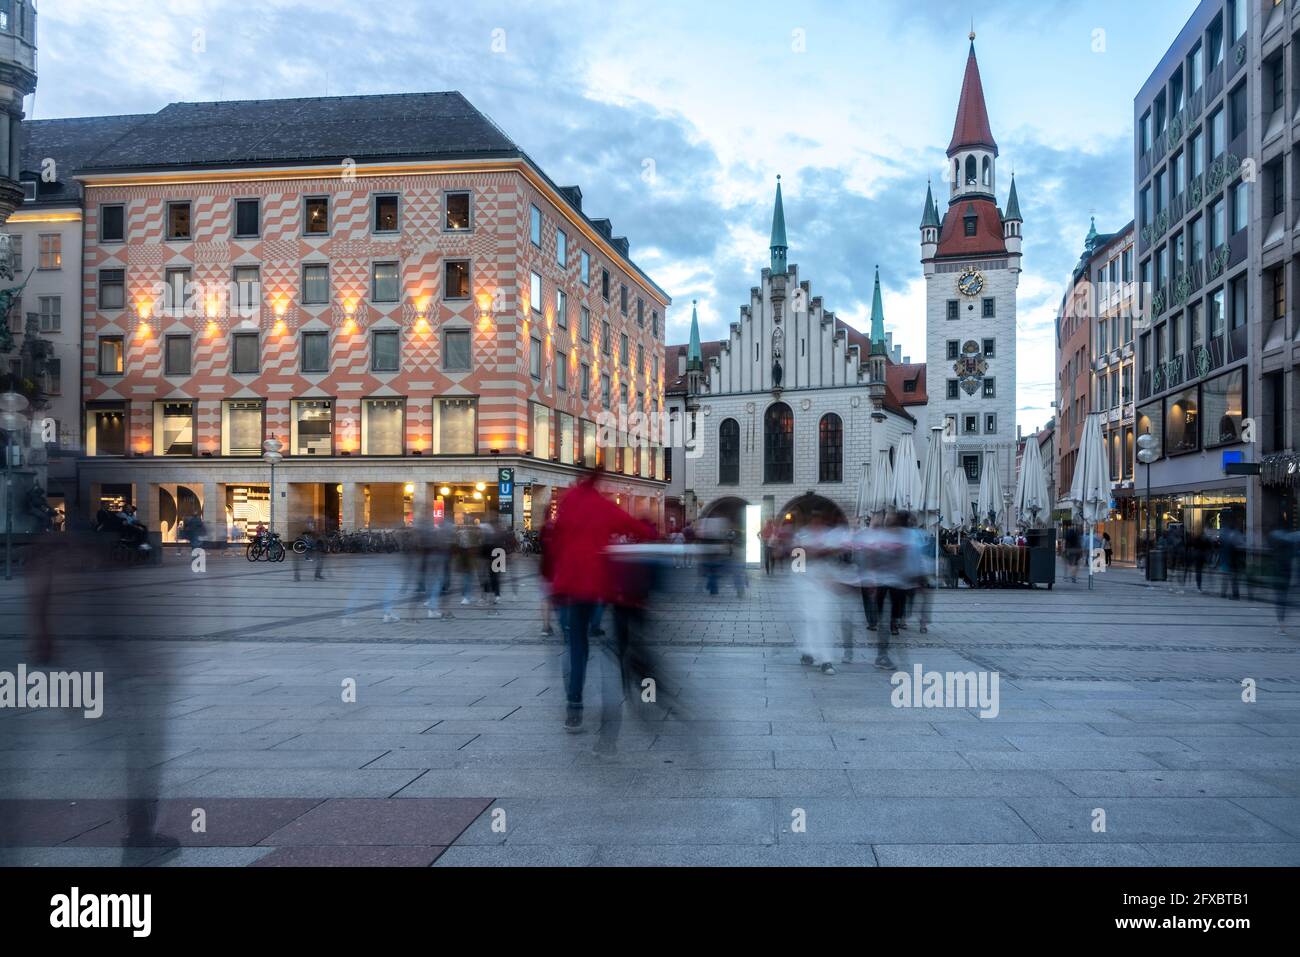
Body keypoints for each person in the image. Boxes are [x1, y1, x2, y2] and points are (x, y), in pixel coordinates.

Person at [548, 470, 656, 733]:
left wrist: (554, 578)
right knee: (618, 640)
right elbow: (637, 528)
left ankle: (574, 706)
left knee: (576, 646)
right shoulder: (602, 505)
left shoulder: (568, 501)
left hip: (570, 585)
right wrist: (649, 530)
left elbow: (556, 541)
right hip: (599, 585)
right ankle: (635, 686)